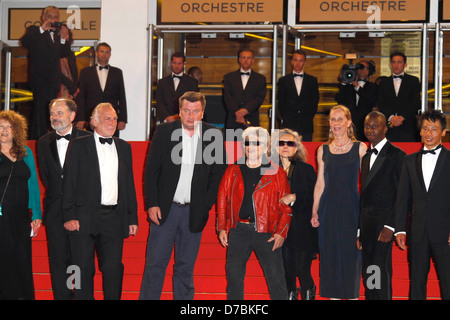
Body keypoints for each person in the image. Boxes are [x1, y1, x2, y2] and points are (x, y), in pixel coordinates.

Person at [140, 91, 227, 300]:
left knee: (186, 267)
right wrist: (152, 203)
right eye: (186, 111)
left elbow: (218, 175)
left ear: (203, 113)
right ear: (179, 111)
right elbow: (151, 171)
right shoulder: (163, 132)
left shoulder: (213, 135)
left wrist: (204, 204)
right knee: (155, 265)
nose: (190, 116)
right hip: (164, 210)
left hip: (193, 212)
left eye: (195, 111)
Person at [61, 103, 138, 300]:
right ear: (94, 122)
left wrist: (132, 218)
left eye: (114, 118)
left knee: (113, 268)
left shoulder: (124, 148)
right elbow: (69, 182)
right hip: (82, 217)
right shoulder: (77, 146)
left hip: (114, 217)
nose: (112, 122)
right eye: (107, 118)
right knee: (80, 267)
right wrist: (69, 215)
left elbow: (129, 185)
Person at [217, 127, 291, 300]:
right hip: (238, 231)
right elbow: (222, 200)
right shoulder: (232, 170)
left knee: (276, 280)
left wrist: (281, 232)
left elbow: (286, 207)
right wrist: (221, 227)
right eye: (248, 143)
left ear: (265, 147)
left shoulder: (277, 173)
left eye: (256, 143)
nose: (250, 147)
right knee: (234, 279)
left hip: (267, 233)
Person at [311, 105, 367, 299]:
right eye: (333, 119)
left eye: (340, 119)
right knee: (330, 256)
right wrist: (315, 211)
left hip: (352, 208)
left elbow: (367, 183)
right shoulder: (322, 149)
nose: (336, 123)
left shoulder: (360, 148)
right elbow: (320, 183)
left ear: (348, 122)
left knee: (351, 255)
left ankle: (352, 296)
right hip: (328, 208)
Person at [37, 98, 91, 300]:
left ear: (72, 115)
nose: (55, 117)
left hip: (79, 212)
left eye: (60, 113)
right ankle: (63, 296)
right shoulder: (43, 143)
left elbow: (90, 178)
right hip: (54, 212)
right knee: (58, 261)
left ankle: (79, 295)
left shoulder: (88, 139)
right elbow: (47, 177)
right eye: (52, 113)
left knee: (78, 261)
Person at [395, 110, 450, 300]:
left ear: (443, 132)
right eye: (425, 128)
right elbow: (402, 198)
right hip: (417, 231)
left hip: (445, 232)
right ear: (420, 131)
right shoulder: (409, 161)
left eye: (434, 129)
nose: (428, 133)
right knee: (417, 282)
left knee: (448, 281)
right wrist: (400, 229)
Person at [356, 111, 406, 300]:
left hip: (383, 225)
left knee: (379, 269)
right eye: (367, 126)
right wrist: (359, 230)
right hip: (367, 226)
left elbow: (401, 196)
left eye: (375, 126)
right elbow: (365, 197)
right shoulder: (366, 156)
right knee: (369, 271)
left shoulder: (397, 155)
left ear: (385, 128)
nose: (370, 130)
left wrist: (391, 226)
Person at [272, 128, 318, 300]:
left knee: (302, 270)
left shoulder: (306, 169)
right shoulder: (269, 169)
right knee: (287, 272)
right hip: (279, 228)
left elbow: (315, 196)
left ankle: (308, 294)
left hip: (302, 228)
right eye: (281, 143)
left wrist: (294, 197)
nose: (285, 146)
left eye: (290, 143)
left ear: (297, 147)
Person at [0, 110, 42, 299]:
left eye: (9, 127)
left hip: (21, 215)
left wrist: (37, 214)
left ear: (17, 130)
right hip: (1, 215)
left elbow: (33, 184)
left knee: (22, 258)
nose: (4, 130)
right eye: (0, 127)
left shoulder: (26, 152)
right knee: (4, 258)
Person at [20, 6, 72, 139]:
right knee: (39, 114)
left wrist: (63, 38)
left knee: (53, 113)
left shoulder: (59, 33)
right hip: (39, 82)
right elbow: (25, 42)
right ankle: (36, 140)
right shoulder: (35, 31)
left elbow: (64, 53)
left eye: (56, 17)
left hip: (54, 83)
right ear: (43, 17)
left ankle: (51, 140)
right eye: (50, 16)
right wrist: (42, 28)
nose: (53, 20)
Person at [76, 42, 127, 137]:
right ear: (96, 53)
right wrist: (81, 118)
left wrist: (123, 119)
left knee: (112, 144)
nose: (104, 54)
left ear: (110, 54)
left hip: (111, 118)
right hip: (91, 118)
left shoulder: (117, 73)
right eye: (102, 51)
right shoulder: (86, 72)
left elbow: (122, 96)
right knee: (90, 145)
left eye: (107, 52)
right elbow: (81, 97)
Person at [377, 52, 421, 142]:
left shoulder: (413, 81)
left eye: (399, 62)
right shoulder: (383, 82)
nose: (396, 65)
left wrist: (402, 117)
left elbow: (415, 102)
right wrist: (391, 117)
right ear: (390, 64)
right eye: (393, 62)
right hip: (388, 126)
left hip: (408, 126)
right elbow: (381, 103)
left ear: (405, 65)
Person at [277, 49, 319, 141]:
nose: (298, 63)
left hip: (306, 124)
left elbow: (314, 102)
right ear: (291, 61)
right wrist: (286, 117)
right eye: (295, 60)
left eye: (300, 60)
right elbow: (281, 102)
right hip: (289, 124)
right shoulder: (283, 81)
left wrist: (308, 116)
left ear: (304, 62)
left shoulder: (312, 81)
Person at [223, 49, 267, 130]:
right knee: (231, 143)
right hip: (233, 119)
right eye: (243, 57)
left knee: (251, 142)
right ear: (239, 60)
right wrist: (237, 113)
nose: (246, 60)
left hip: (252, 118)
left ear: (253, 60)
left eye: (248, 58)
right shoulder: (229, 77)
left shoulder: (260, 79)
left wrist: (245, 110)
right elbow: (227, 97)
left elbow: (259, 98)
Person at [335, 60, 378, 141]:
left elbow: (371, 100)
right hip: (349, 124)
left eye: (365, 68)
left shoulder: (373, 87)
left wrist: (357, 87)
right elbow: (340, 101)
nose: (362, 69)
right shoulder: (348, 86)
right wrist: (343, 83)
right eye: (360, 67)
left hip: (365, 125)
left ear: (370, 71)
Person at [155, 52, 199, 123]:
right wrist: (167, 117)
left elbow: (193, 102)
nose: (177, 66)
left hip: (185, 120)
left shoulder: (192, 82)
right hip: (166, 121)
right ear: (171, 63)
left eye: (179, 63)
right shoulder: (162, 82)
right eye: (174, 63)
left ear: (184, 64)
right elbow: (159, 102)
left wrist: (178, 117)